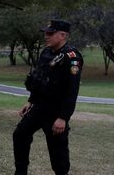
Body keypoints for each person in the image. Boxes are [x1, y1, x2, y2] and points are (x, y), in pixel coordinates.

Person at [13, 19, 83, 175]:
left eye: (50, 33)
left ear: (63, 35)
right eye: (46, 32)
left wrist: (63, 118)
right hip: (39, 107)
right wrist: (30, 101)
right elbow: (39, 79)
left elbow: (72, 91)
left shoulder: (71, 57)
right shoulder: (46, 52)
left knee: (58, 153)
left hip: (56, 112)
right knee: (20, 135)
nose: (46, 36)